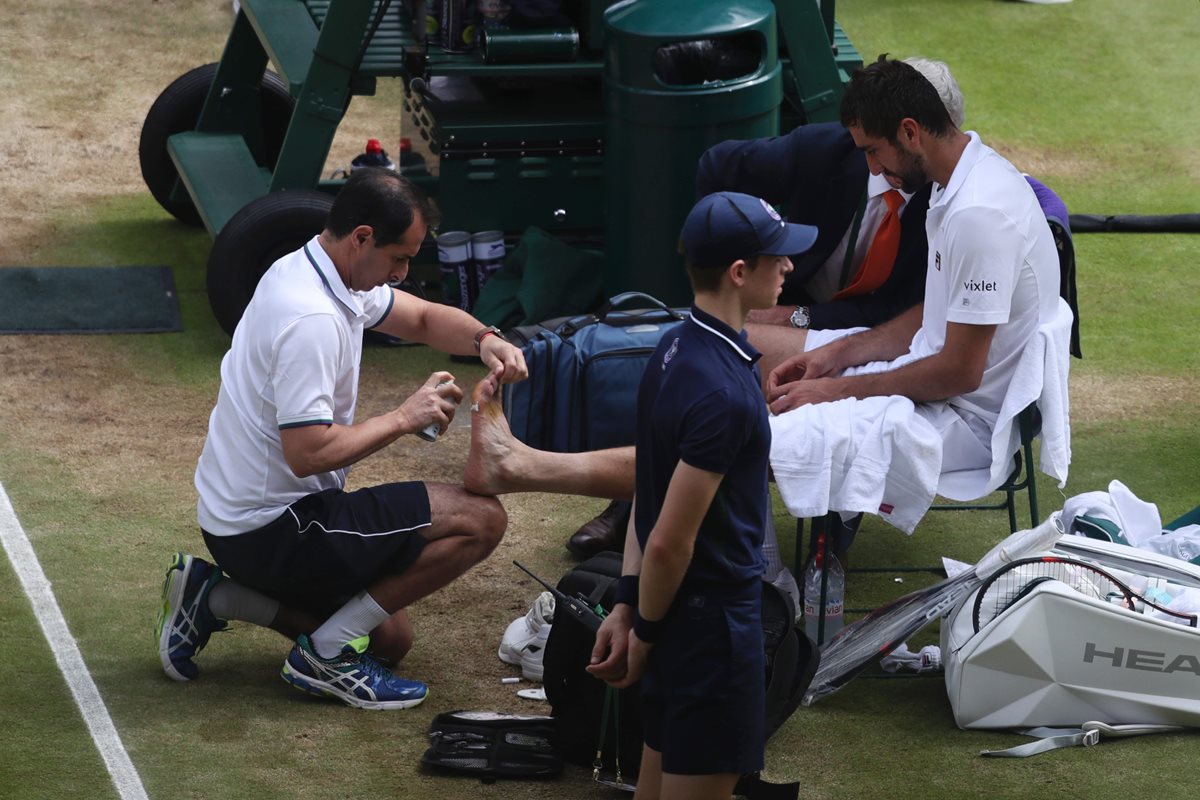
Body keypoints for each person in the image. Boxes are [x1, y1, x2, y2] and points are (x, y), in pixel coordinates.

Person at [156, 167, 528, 710]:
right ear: (362, 238)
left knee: (390, 641)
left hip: (240, 521)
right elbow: (307, 454)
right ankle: (324, 657)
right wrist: (404, 416)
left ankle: (216, 597)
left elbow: (422, 319)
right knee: (481, 520)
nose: (402, 274)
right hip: (274, 529)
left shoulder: (317, 269)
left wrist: (484, 339)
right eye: (400, 258)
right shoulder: (310, 317)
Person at [569, 57, 965, 558]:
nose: (875, 163)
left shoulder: (946, 197)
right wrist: (742, 265)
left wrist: (798, 317)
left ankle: (815, 528)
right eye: (869, 148)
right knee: (699, 355)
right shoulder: (823, 151)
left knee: (732, 353)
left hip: (867, 333)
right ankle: (632, 502)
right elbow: (717, 167)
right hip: (791, 304)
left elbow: (898, 309)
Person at [585, 191, 816, 800]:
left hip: (673, 620)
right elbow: (668, 540)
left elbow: (648, 493)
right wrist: (645, 633)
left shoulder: (672, 349)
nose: (789, 267)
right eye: (777, 257)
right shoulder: (726, 392)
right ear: (740, 273)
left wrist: (628, 609)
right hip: (711, 633)